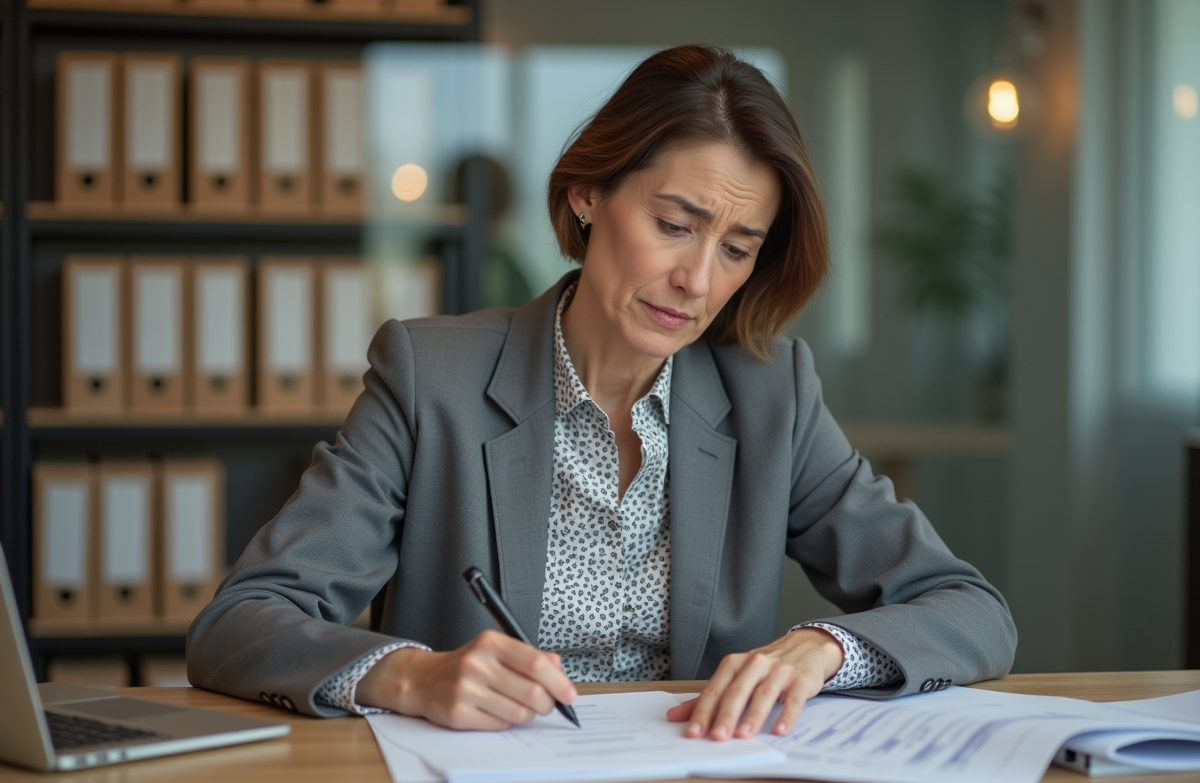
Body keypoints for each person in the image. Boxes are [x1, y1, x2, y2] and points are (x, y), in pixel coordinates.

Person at [187, 44, 1016, 742]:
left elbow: (970, 610)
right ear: (589, 194)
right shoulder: (428, 378)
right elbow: (240, 624)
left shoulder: (774, 398)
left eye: (737, 248)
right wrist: (411, 675)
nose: (696, 279)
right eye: (675, 224)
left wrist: (823, 647)